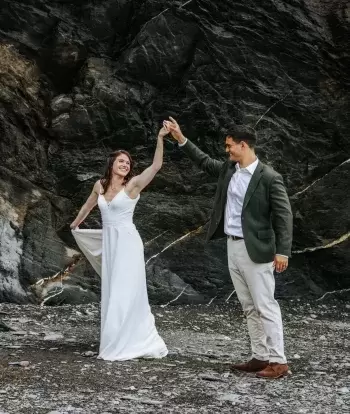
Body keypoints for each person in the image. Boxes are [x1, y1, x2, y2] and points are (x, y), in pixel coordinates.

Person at [165, 117, 293, 379]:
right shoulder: (229, 169)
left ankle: (279, 362)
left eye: (229, 145)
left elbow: (284, 216)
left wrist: (283, 252)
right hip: (232, 246)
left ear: (243, 145)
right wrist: (180, 137)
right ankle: (260, 356)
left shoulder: (269, 177)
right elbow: (203, 161)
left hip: (257, 249)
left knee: (265, 304)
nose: (226, 150)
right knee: (248, 305)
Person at [69, 123, 170, 361]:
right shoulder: (100, 185)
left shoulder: (133, 185)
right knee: (113, 290)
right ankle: (114, 339)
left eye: (128, 163)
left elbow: (156, 166)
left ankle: (126, 342)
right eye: (121, 161)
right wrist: (75, 224)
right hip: (110, 242)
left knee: (125, 291)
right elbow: (87, 206)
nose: (125, 165)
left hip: (127, 243)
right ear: (111, 165)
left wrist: (160, 138)